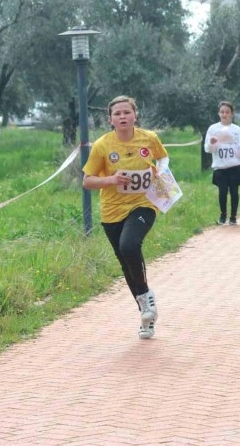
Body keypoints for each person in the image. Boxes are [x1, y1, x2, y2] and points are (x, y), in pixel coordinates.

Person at [82, 95, 169, 340]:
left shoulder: (149, 138)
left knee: (129, 245)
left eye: (126, 112)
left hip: (143, 204)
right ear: (110, 119)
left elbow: (162, 156)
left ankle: (147, 301)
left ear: (135, 115)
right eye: (117, 113)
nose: (122, 117)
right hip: (112, 211)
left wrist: (161, 171)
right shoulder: (102, 146)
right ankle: (147, 314)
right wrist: (110, 180)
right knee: (126, 263)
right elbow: (87, 181)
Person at [204, 101, 240, 225]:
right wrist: (212, 142)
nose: (224, 114)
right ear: (218, 113)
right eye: (222, 112)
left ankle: (233, 216)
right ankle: (223, 214)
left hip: (234, 166)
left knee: (234, 191)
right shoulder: (213, 129)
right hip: (220, 167)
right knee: (222, 191)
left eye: (227, 112)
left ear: (232, 114)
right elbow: (208, 149)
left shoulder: (236, 130)